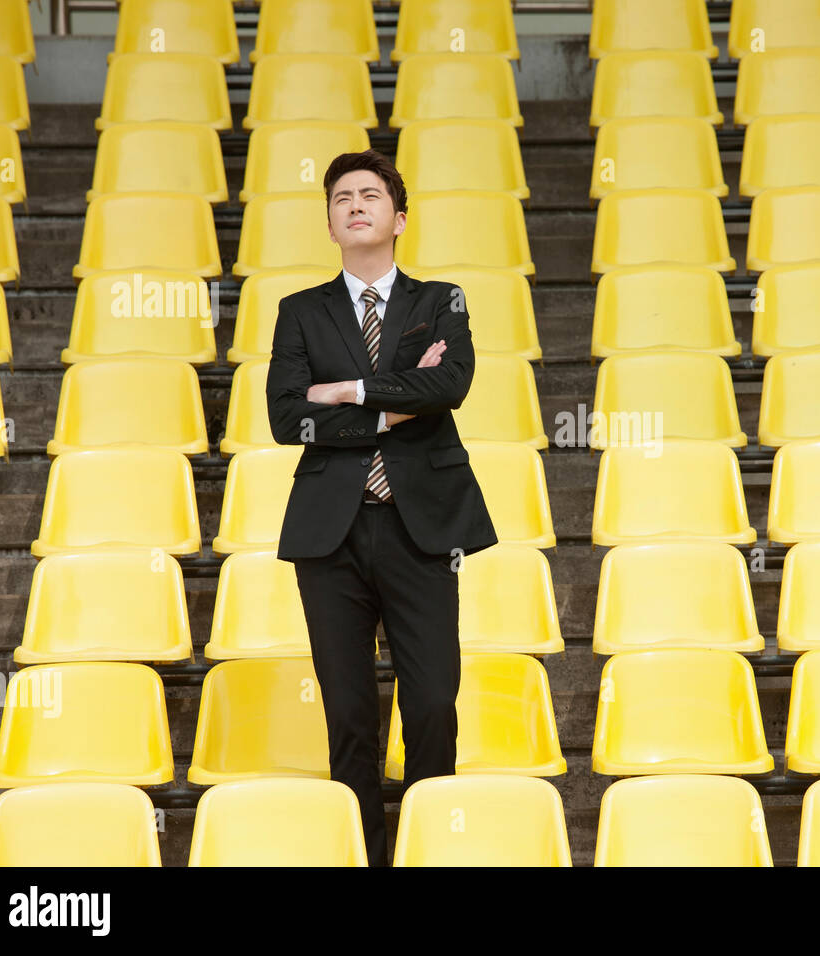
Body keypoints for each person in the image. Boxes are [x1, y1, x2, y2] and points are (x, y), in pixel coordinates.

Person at [265, 149, 498, 866]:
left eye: (370, 195)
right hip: (328, 537)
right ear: (331, 223)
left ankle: (430, 853)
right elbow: (287, 416)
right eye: (341, 198)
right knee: (350, 717)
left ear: (399, 218)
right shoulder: (300, 311)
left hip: (422, 527)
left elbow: (447, 387)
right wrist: (394, 405)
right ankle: (362, 857)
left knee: (432, 706)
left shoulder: (441, 301)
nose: (355, 204)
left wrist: (351, 392)